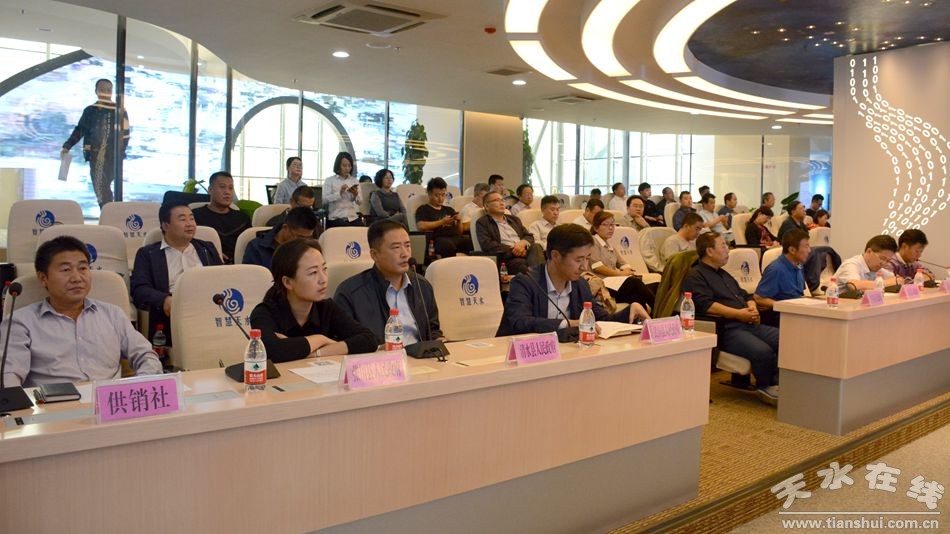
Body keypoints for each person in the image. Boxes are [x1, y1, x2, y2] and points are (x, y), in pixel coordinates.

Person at [1, 236, 162, 387]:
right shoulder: (21, 322)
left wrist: (140, 387)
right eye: (66, 270)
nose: (77, 278)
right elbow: (9, 374)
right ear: (43, 278)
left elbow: (146, 356)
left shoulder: (113, 315)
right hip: (54, 404)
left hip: (109, 402)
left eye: (83, 268)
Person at [496, 224, 650, 337]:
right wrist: (570, 323)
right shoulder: (526, 282)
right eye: (579, 260)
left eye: (587, 258)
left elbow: (601, 319)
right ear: (555, 256)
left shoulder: (580, 284)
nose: (584, 267)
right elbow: (520, 322)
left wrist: (630, 310)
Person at [683, 232, 780, 404]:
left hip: (748, 322)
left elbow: (744, 294)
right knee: (763, 351)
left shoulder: (723, 274)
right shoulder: (695, 275)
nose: (728, 249)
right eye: (723, 246)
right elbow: (707, 306)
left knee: (784, 339)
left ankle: (779, 382)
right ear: (709, 251)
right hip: (727, 328)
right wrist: (739, 314)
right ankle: (765, 386)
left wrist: (751, 306)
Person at [248, 239, 376, 362]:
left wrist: (316, 353)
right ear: (288, 282)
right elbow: (272, 351)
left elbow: (369, 340)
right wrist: (321, 340)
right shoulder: (264, 313)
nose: (323, 279)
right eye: (313, 272)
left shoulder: (326, 308)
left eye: (324, 269)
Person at [334, 220, 443, 346]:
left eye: (407, 245)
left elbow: (433, 331)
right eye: (396, 247)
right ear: (374, 255)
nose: (405, 254)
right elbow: (344, 344)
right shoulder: (350, 294)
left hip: (420, 356)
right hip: (378, 357)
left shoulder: (422, 285)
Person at [131, 202, 223, 344]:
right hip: (171, 312)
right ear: (165, 225)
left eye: (191, 218)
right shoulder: (148, 254)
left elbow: (222, 279)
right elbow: (139, 289)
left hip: (207, 308)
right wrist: (164, 300)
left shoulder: (206, 248)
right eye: (182, 219)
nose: (190, 224)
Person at [61, 78, 130, 207]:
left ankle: (110, 213)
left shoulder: (120, 111)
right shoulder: (90, 110)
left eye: (108, 90)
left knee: (104, 188)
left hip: (113, 157)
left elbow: (125, 135)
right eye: (102, 89)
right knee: (100, 189)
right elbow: (80, 130)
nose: (105, 92)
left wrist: (119, 153)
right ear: (96, 91)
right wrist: (67, 146)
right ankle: (108, 213)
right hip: (95, 156)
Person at [588, 211, 656, 309]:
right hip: (602, 285)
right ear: (595, 228)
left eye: (612, 224)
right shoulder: (593, 242)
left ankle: (651, 316)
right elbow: (598, 267)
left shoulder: (609, 245)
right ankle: (660, 311)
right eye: (605, 225)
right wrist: (621, 274)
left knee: (637, 297)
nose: (610, 228)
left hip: (615, 282)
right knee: (635, 282)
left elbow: (623, 263)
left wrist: (628, 270)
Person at [777, 201, 840, 294]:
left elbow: (807, 239)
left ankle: (838, 274)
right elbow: (791, 243)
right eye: (801, 208)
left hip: (802, 248)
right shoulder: (788, 224)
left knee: (827, 250)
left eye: (804, 208)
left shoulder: (801, 224)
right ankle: (813, 286)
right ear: (793, 211)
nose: (804, 210)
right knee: (815, 252)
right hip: (793, 250)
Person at [476, 191, 545, 274]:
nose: (502, 203)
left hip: (525, 253)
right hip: (506, 258)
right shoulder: (483, 222)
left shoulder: (514, 219)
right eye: (497, 200)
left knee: (536, 247)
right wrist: (514, 250)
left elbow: (529, 236)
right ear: (487, 206)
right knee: (525, 265)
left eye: (502, 200)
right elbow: (487, 245)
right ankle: (541, 279)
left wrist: (522, 243)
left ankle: (539, 278)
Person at [754, 229, 809, 327]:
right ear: (792, 250)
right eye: (806, 246)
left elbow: (798, 294)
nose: (809, 250)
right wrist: (783, 306)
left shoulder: (799, 266)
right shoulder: (776, 269)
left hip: (797, 312)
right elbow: (759, 298)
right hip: (782, 317)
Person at [192, 171, 251, 264]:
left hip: (238, 266)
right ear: (210, 190)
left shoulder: (242, 219)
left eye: (230, 188)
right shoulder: (195, 216)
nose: (227, 192)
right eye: (222, 187)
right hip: (205, 264)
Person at [243, 207, 319, 269]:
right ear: (285, 228)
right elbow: (251, 278)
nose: (303, 242)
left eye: (308, 238)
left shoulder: (309, 247)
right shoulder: (256, 248)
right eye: (300, 237)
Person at [415, 177, 473, 258]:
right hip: (439, 239)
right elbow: (421, 226)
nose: (440, 198)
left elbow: (460, 231)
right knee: (447, 245)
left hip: (455, 237)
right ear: (429, 193)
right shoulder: (423, 209)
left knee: (472, 243)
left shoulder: (449, 209)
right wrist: (442, 222)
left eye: (443, 195)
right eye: (437, 195)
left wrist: (459, 221)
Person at [832, 235, 901, 292]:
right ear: (869, 251)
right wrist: (885, 283)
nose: (884, 263)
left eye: (888, 261)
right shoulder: (851, 264)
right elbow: (854, 285)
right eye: (882, 258)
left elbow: (898, 280)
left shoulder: (878, 269)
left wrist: (895, 281)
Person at [323, 151, 361, 228]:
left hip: (352, 216)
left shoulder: (354, 181)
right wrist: (339, 193)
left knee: (363, 230)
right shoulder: (330, 180)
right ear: (338, 165)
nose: (347, 168)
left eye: (349, 166)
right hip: (335, 217)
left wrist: (355, 195)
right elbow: (324, 200)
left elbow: (360, 202)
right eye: (344, 165)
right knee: (347, 229)